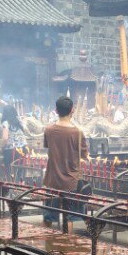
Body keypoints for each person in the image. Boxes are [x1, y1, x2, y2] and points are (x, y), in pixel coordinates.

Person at [42, 96, 88, 226]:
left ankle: (46, 244)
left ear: (56, 111)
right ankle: (68, 244)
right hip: (71, 181)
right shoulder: (78, 133)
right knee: (69, 217)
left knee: (49, 216)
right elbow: (84, 155)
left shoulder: (49, 130)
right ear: (72, 110)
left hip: (52, 179)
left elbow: (47, 146)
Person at [0, 103, 28, 181]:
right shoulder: (19, 120)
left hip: (11, 151)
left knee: (9, 172)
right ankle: (20, 189)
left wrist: (1, 147)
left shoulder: (5, 122)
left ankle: (11, 189)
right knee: (20, 173)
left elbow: (5, 138)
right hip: (23, 149)